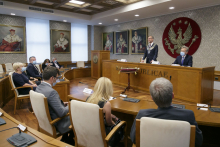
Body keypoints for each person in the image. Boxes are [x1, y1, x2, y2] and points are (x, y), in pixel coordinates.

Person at [130, 77, 203, 147]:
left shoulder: (143, 115)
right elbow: (198, 142)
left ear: (152, 98)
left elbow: (134, 139)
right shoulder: (188, 115)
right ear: (173, 96)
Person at [35, 66, 74, 145]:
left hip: (45, 121)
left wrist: (62, 104)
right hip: (57, 123)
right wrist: (72, 105)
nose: (57, 79)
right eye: (57, 78)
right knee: (78, 116)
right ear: (52, 78)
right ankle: (70, 141)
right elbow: (62, 113)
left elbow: (49, 104)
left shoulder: (38, 88)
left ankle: (65, 139)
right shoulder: (52, 92)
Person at [86, 77, 124, 147]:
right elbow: (109, 123)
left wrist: (111, 115)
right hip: (102, 135)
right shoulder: (106, 104)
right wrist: (116, 125)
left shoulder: (89, 99)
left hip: (89, 132)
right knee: (120, 129)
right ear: (108, 89)